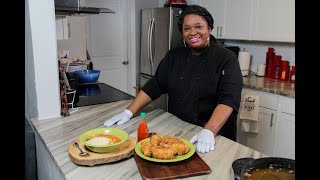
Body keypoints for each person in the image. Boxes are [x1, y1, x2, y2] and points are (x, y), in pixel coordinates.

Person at [104, 5, 243, 154]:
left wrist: (209, 131)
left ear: (209, 28)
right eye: (187, 28)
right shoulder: (174, 56)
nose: (193, 32)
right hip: (179, 131)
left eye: (199, 26)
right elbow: (155, 85)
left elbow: (228, 100)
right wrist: (128, 112)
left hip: (213, 137)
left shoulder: (226, 58)